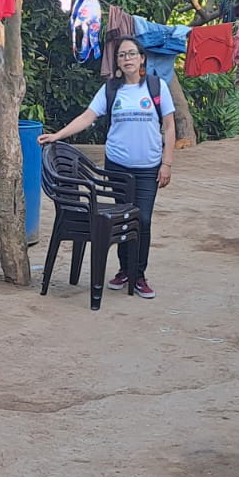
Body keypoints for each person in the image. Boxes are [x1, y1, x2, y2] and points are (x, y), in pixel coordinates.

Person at [37, 35, 176, 298]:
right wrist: (57, 135)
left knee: (142, 220)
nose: (127, 59)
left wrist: (166, 163)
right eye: (122, 55)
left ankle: (139, 275)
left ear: (142, 58)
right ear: (118, 62)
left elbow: (169, 127)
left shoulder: (157, 87)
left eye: (132, 54)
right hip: (118, 169)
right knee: (124, 218)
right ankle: (125, 270)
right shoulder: (111, 90)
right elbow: (88, 117)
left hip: (148, 168)